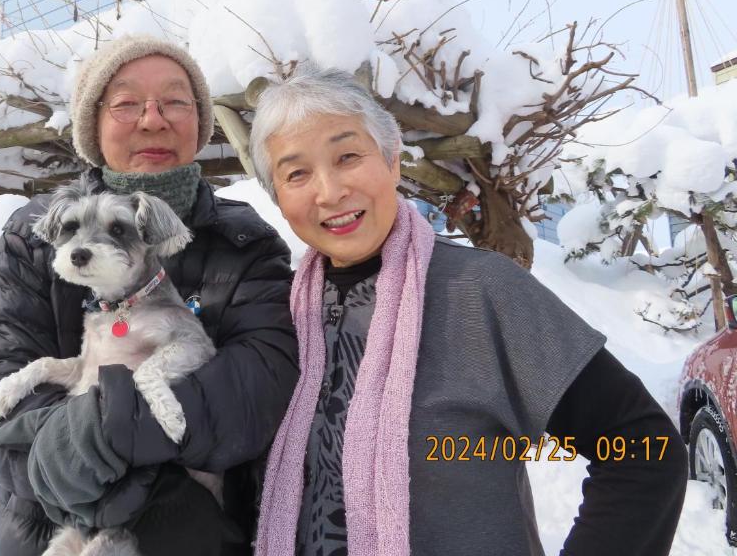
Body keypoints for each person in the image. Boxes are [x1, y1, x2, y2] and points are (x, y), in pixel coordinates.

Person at [247, 66, 689, 556]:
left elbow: (643, 449)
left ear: (392, 160)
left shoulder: (480, 292)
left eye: (348, 155)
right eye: (297, 173)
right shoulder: (279, 318)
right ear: (279, 199)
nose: (329, 192)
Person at [0, 36, 299, 556]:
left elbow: (264, 387)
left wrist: (127, 439)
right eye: (125, 103)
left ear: (200, 121)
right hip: (46, 533)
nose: (152, 119)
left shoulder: (246, 241)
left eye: (175, 102)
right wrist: (74, 460)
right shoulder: (34, 235)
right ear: (92, 127)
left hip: (196, 531)